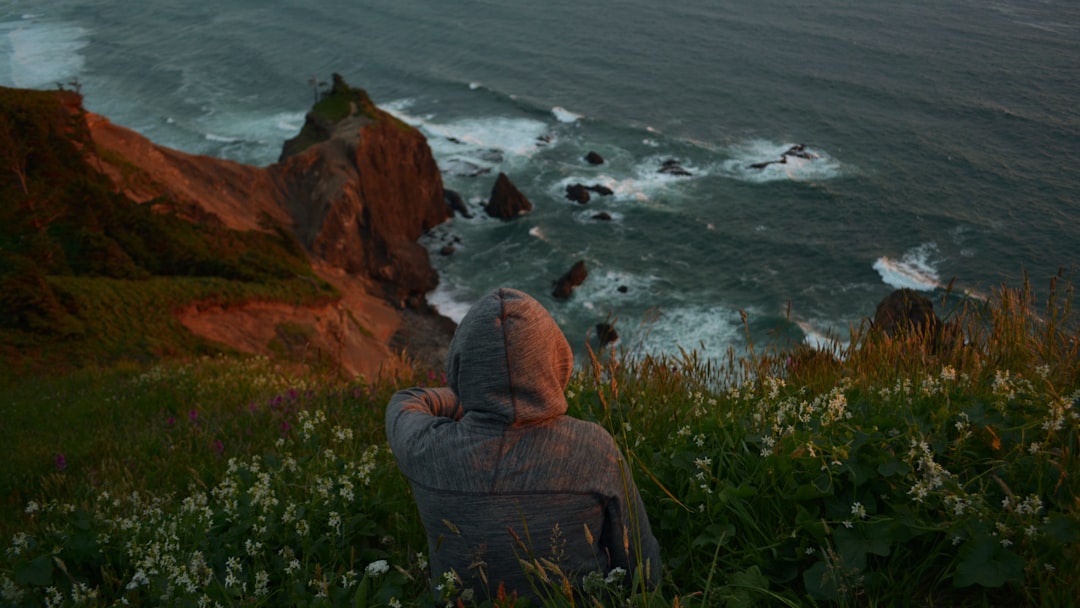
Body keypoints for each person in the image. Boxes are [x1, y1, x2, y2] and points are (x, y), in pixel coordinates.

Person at [385, 287, 661, 603]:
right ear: (558, 359)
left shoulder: (425, 447)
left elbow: (407, 400)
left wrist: (478, 400)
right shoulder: (595, 450)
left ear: (461, 365)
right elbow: (644, 570)